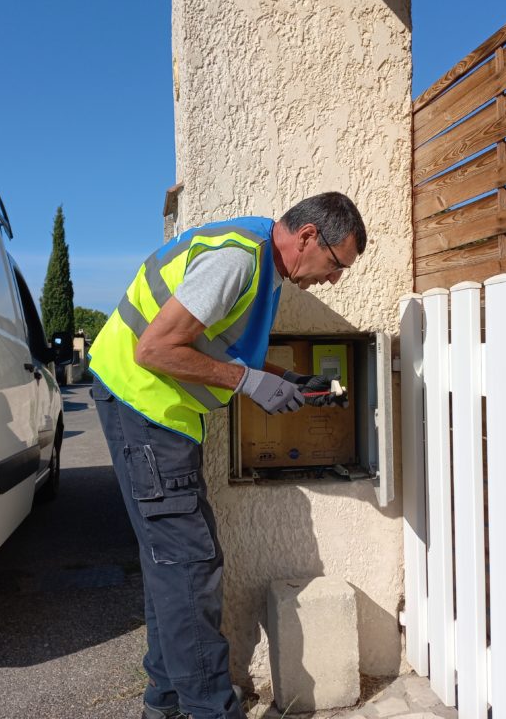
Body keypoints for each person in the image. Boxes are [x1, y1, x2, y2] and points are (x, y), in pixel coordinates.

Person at [87, 192, 367, 719]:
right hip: (142, 408)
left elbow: (214, 346)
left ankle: (166, 703)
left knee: (173, 565)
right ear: (309, 237)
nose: (333, 281)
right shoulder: (239, 260)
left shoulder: (258, 261)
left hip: (157, 416)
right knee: (190, 568)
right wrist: (247, 381)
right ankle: (210, 710)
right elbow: (155, 349)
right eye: (335, 265)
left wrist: (285, 380)